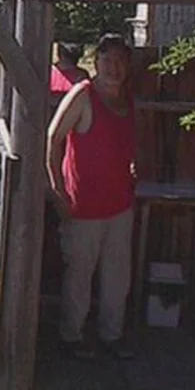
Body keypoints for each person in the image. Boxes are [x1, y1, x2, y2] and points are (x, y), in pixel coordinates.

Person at [46, 33, 136, 360]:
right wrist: (57, 191)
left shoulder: (127, 98)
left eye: (120, 61)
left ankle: (111, 336)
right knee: (79, 277)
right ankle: (71, 338)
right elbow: (53, 138)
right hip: (82, 208)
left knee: (117, 277)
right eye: (107, 60)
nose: (114, 67)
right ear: (96, 62)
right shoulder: (83, 94)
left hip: (120, 206)